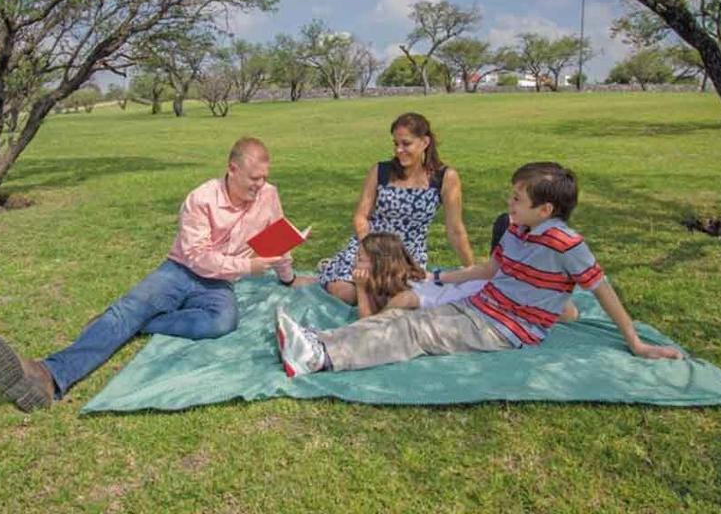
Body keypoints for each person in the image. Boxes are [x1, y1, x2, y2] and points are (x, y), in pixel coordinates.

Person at [276, 161, 683, 376]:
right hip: (482, 306)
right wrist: (437, 277)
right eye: (512, 195)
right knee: (401, 314)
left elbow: (602, 290)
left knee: (414, 331)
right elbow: (489, 270)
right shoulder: (517, 231)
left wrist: (634, 341)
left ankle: (321, 358)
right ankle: (322, 340)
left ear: (546, 210)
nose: (510, 203)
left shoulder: (567, 244)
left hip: (507, 327)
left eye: (518, 199)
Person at [0, 137, 294, 411]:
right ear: (232, 169)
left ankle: (142, 324)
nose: (260, 185)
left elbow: (278, 237)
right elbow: (198, 258)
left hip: (219, 284)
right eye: (254, 178)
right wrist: (247, 267)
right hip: (180, 270)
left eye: (265, 178)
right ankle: (47, 375)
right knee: (127, 310)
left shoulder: (268, 195)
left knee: (222, 322)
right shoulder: (201, 199)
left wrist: (288, 277)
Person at [306, 112, 474, 305]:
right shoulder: (380, 171)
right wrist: (367, 249)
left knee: (390, 300)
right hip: (369, 247)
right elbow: (361, 217)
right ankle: (332, 270)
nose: (399, 150)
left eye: (406, 143)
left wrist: (471, 270)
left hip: (405, 254)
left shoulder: (445, 178)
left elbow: (455, 229)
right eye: (396, 144)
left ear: (425, 142)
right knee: (346, 294)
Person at [349, 232, 486, 318]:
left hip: (476, 296)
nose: (354, 262)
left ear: (379, 263)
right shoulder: (410, 276)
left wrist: (361, 290)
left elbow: (369, 325)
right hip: (468, 286)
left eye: (360, 258)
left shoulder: (403, 299)